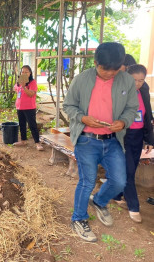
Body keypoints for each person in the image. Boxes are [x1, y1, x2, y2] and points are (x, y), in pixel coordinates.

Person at [63, 42, 139, 242]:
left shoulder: (127, 82)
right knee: (87, 181)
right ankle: (78, 218)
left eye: (115, 70)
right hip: (87, 140)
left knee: (119, 181)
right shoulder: (81, 80)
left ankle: (99, 201)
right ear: (96, 62)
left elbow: (132, 109)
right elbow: (68, 106)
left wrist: (123, 122)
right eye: (105, 69)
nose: (109, 74)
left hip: (113, 140)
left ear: (122, 65)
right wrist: (82, 118)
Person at [113, 64, 154, 223]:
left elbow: (147, 115)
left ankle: (115, 194)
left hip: (137, 137)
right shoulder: (119, 92)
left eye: (141, 80)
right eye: (134, 80)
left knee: (130, 168)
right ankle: (134, 206)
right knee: (128, 171)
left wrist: (149, 139)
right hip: (122, 135)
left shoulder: (143, 92)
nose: (137, 83)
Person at [13, 65, 43, 151]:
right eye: (23, 72)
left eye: (26, 72)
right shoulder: (19, 82)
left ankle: (37, 142)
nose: (24, 73)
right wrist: (20, 86)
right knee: (22, 124)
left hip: (29, 107)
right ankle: (23, 140)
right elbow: (15, 89)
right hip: (19, 107)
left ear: (30, 73)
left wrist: (24, 87)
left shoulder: (32, 82)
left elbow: (31, 94)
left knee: (32, 125)